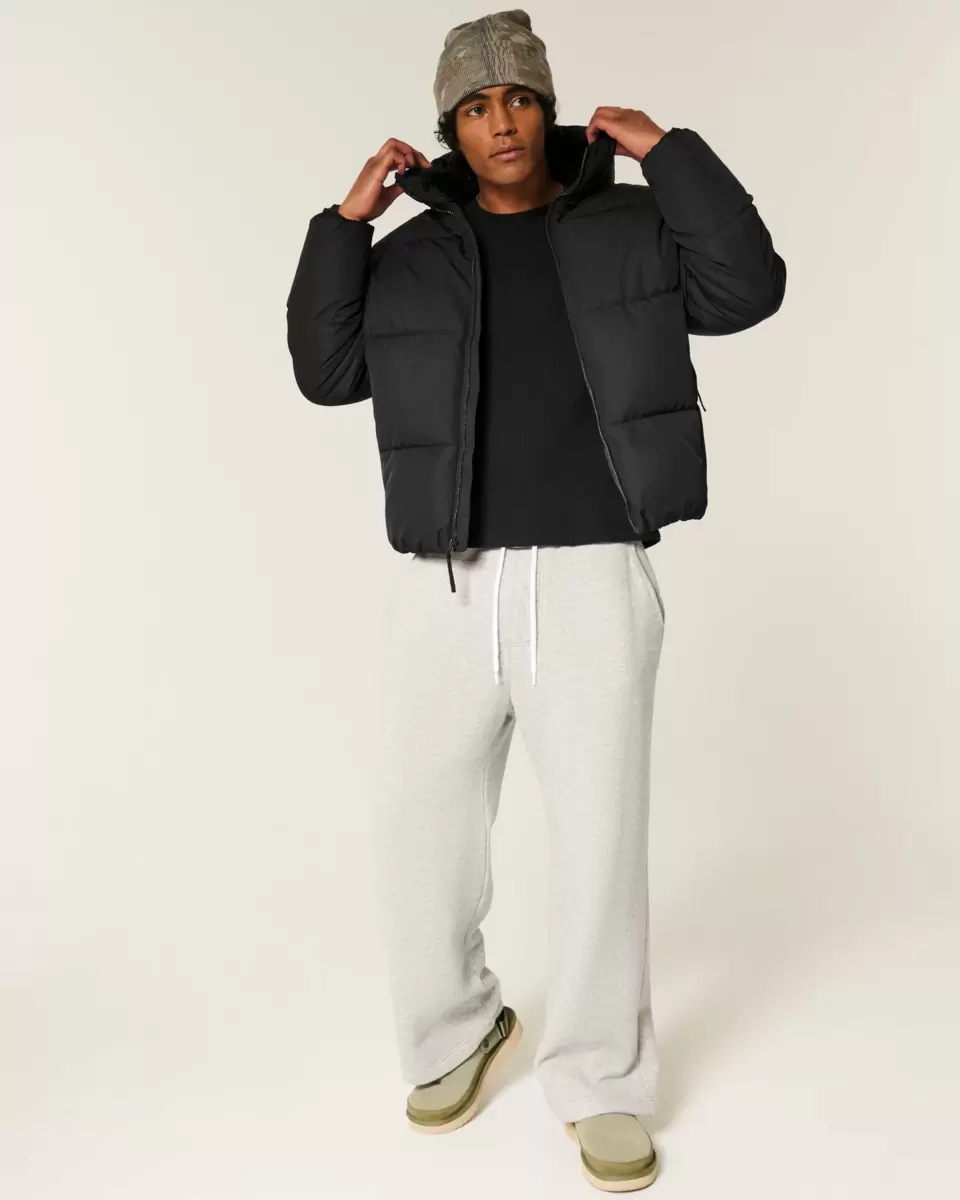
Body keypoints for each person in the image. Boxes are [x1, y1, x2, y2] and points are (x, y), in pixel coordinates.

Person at [285, 8, 785, 1191]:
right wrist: (345, 225)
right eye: (474, 105)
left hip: (592, 572)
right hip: (447, 580)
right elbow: (326, 369)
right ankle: (458, 1030)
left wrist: (669, 152)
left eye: (517, 98)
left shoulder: (629, 223)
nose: (500, 122)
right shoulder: (412, 255)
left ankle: (603, 1079)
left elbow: (750, 286)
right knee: (419, 828)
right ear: (448, 127)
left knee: (600, 840)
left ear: (546, 108)